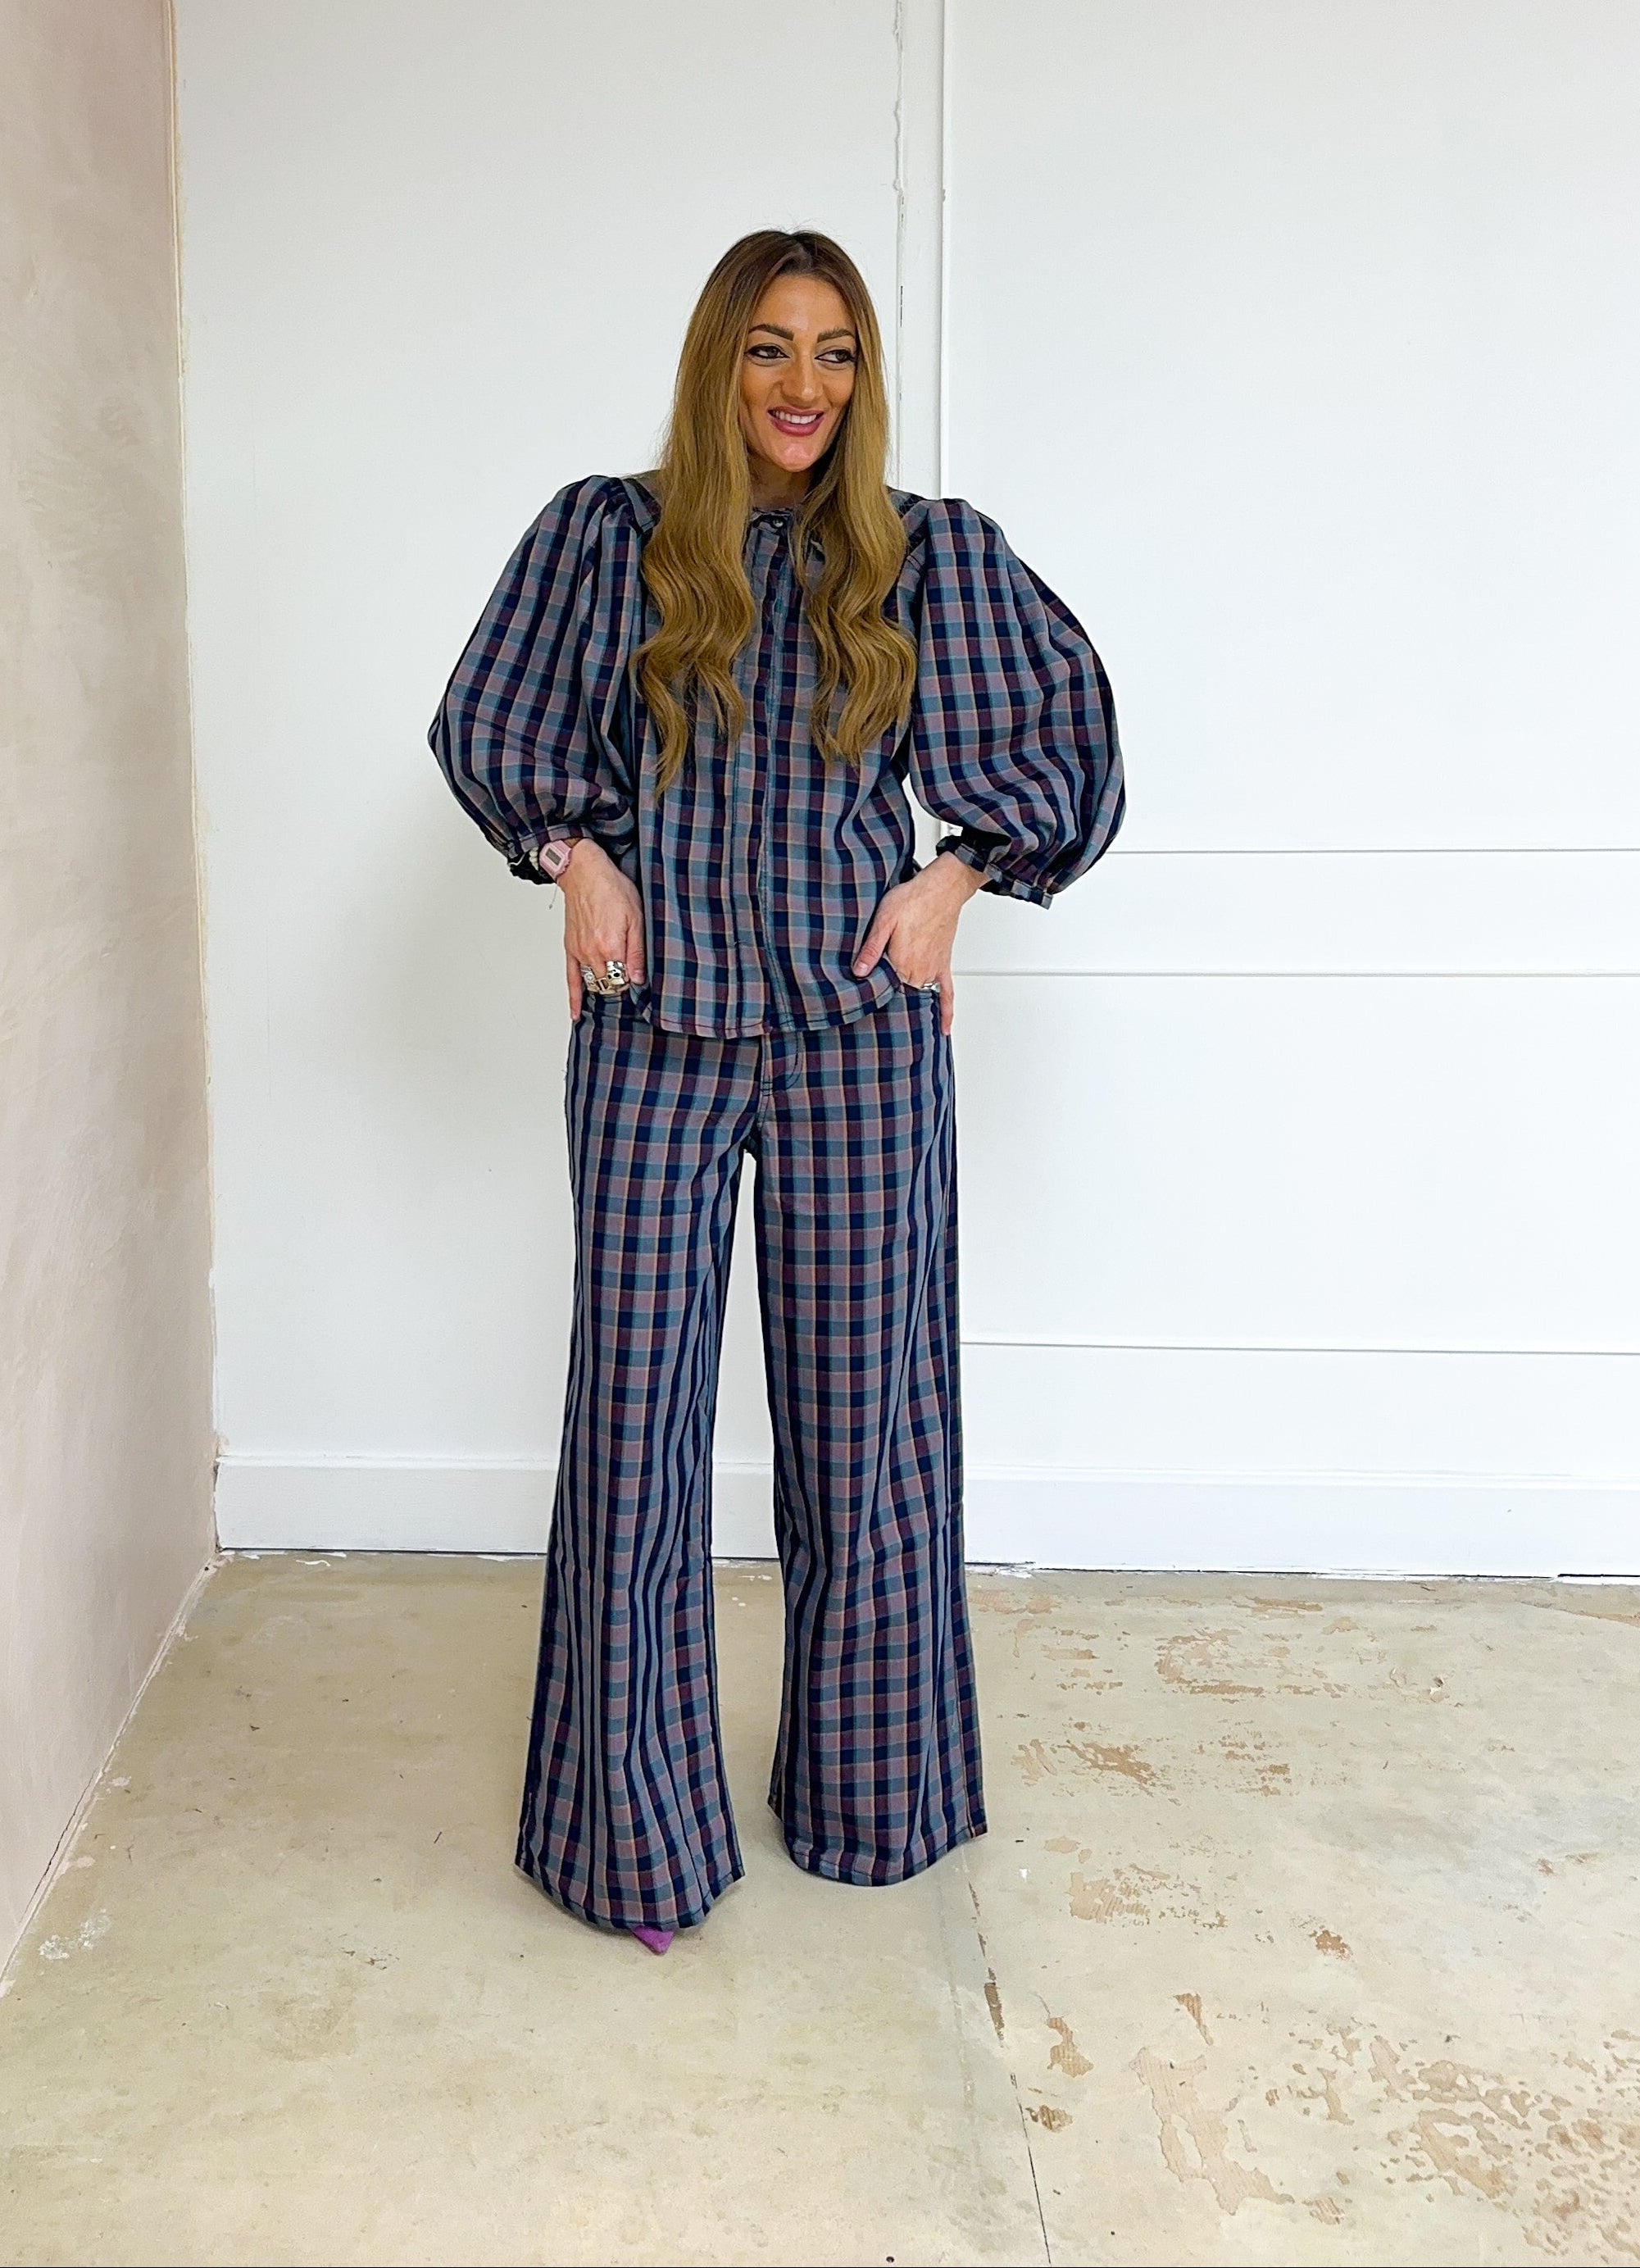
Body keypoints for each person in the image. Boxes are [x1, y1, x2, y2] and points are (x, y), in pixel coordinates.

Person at [429, 228, 1124, 1956]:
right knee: (635, 1440)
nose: (800, 385)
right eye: (765, 349)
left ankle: (870, 1805)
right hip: (651, 1040)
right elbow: (489, 725)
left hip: (854, 1046)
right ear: (714, 365)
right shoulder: (609, 538)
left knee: (862, 1439)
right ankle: (631, 1846)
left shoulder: (920, 557)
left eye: (829, 351)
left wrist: (951, 884)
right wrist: (571, 855)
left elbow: (1068, 747)